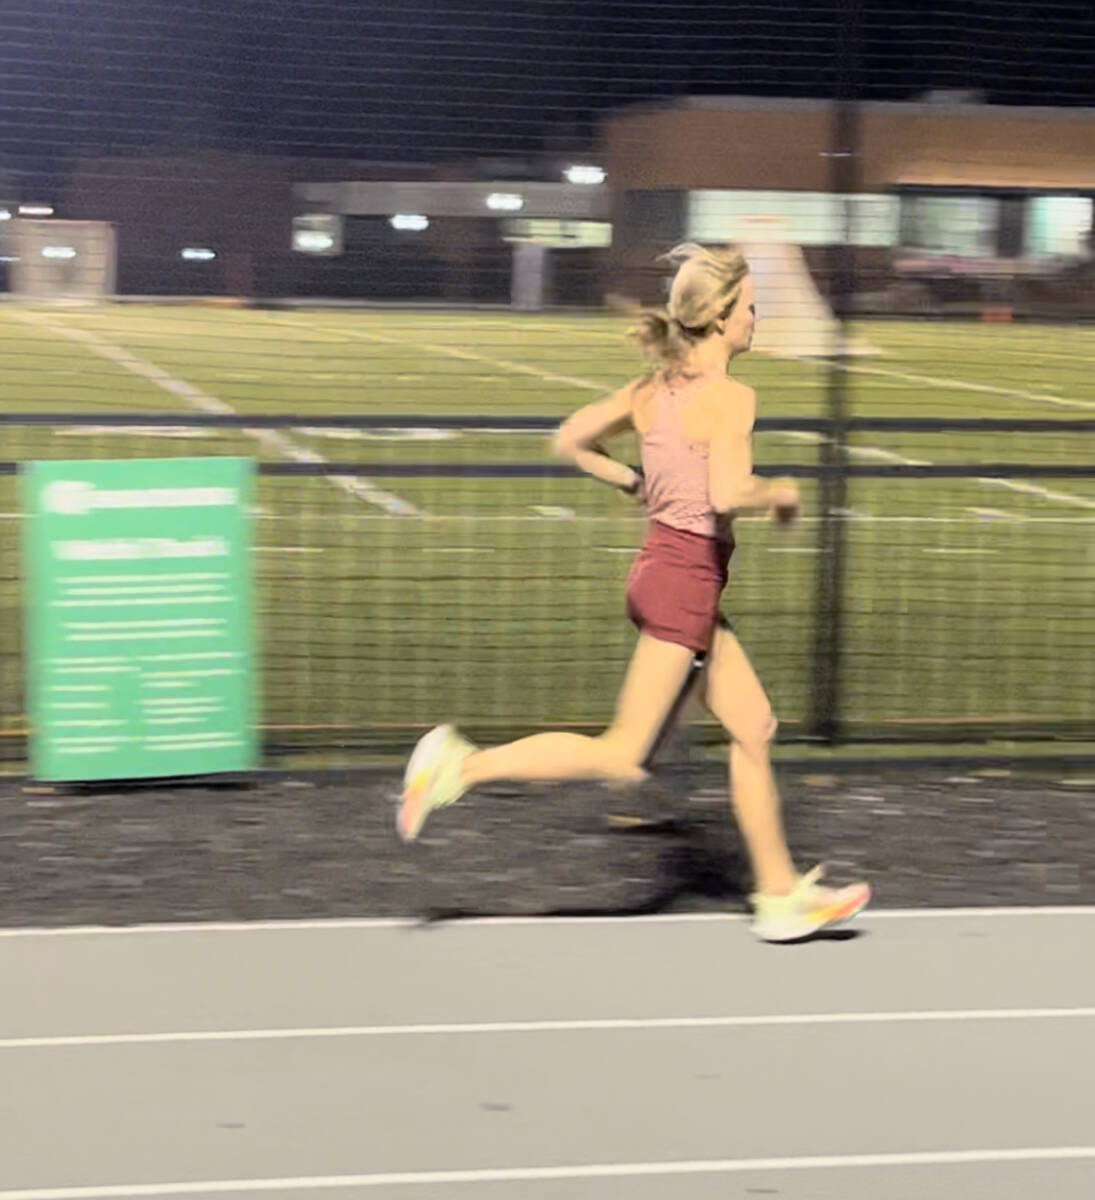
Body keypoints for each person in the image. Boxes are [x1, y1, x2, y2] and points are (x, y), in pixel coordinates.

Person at [397, 243, 870, 943]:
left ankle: (777, 895)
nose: (755, 318)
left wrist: (630, 481)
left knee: (752, 726)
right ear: (717, 316)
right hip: (682, 586)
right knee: (621, 754)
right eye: (747, 307)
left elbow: (569, 440)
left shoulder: (650, 392)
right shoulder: (730, 397)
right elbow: (725, 493)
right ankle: (456, 765)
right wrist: (780, 494)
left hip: (666, 575)